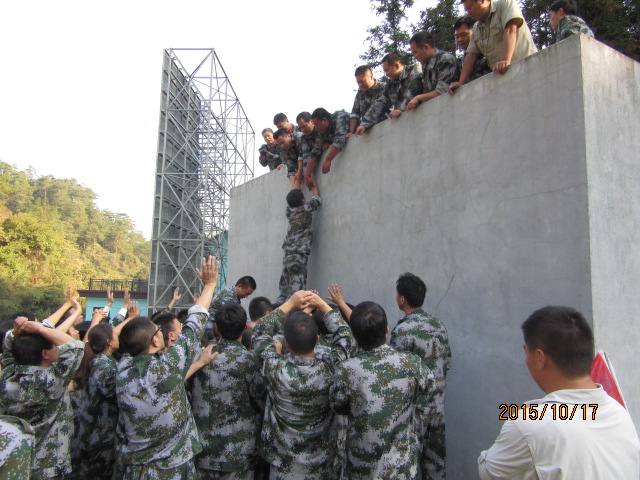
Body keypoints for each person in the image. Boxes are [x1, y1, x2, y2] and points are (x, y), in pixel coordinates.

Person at [478, 306, 640, 479]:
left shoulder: (530, 422)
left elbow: (489, 472)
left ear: (539, 358)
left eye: (526, 352)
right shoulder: (619, 412)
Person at [115, 256, 219, 478]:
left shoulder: (122, 370)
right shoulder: (166, 367)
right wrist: (210, 285)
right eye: (157, 331)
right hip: (171, 469)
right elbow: (195, 324)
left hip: (135, 469)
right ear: (155, 341)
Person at [253, 291, 355, 479]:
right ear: (317, 340)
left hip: (283, 465)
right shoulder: (332, 368)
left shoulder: (274, 369)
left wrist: (289, 304)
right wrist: (322, 304)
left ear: (286, 344)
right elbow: (345, 334)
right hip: (322, 465)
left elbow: (260, 331)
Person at [330, 301, 432, 480]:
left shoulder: (347, 370)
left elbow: (338, 406)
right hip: (401, 468)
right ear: (386, 329)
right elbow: (429, 389)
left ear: (354, 335)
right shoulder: (411, 363)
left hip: (362, 467)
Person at [0, 316, 85, 479]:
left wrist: (16, 332)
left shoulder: (8, 377)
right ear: (45, 353)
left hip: (17, 460)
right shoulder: (52, 380)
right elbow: (76, 346)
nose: (57, 349)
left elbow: (9, 350)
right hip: (48, 465)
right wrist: (40, 329)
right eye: (54, 347)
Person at [190, 303, 264, 479]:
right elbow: (260, 401)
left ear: (217, 328)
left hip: (203, 450)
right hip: (239, 452)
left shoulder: (198, 360)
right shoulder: (251, 362)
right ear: (245, 327)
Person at [390, 273, 451, 480]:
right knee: (435, 465)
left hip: (414, 412)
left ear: (402, 299)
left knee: (408, 465)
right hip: (438, 406)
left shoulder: (403, 330)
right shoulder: (439, 326)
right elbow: (447, 363)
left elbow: (396, 373)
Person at [448, 0, 537, 94]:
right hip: (504, 79)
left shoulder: (505, 4)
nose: (469, 12)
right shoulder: (477, 27)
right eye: (466, 10)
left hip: (529, 68)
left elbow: (511, 30)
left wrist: (505, 60)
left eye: (469, 7)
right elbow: (471, 54)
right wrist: (461, 83)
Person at [355, 53, 423, 135]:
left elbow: (414, 89)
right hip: (406, 126)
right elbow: (380, 104)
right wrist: (364, 124)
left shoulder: (414, 69)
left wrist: (401, 109)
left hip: (422, 119)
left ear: (397, 66)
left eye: (387, 70)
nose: (386, 74)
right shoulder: (390, 85)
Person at [276, 182, 322, 303]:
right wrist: (313, 185)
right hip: (298, 257)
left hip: (287, 256)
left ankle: (277, 309)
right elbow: (317, 200)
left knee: (283, 293)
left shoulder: (288, 211)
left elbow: (293, 197)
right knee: (297, 294)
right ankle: (293, 314)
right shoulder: (306, 209)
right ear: (302, 200)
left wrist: (296, 185)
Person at [407, 31, 459, 112]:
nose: (414, 57)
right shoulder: (425, 65)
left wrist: (418, 98)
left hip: (454, 108)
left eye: (415, 52)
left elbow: (441, 91)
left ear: (426, 47)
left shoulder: (445, 59)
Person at [205, 275, 256, 344]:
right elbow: (234, 314)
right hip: (211, 326)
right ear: (239, 286)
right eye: (246, 293)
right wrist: (249, 324)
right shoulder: (228, 295)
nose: (246, 296)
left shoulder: (234, 295)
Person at [307, 108, 350, 180]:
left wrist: (328, 160)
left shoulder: (339, 117)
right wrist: (307, 175)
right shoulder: (321, 131)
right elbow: (315, 152)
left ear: (324, 120)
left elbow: (340, 140)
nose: (316, 127)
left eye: (317, 124)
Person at [347, 65, 386, 138]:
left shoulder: (383, 88)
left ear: (371, 77)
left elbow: (378, 108)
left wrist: (365, 124)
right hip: (367, 132)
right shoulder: (360, 93)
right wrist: (351, 133)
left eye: (362, 81)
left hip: (384, 128)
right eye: (358, 82)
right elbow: (355, 114)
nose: (360, 85)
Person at [454, 16, 492, 81]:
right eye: (457, 37)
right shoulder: (465, 55)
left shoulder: (485, 47)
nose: (460, 39)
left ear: (475, 31)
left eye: (464, 35)